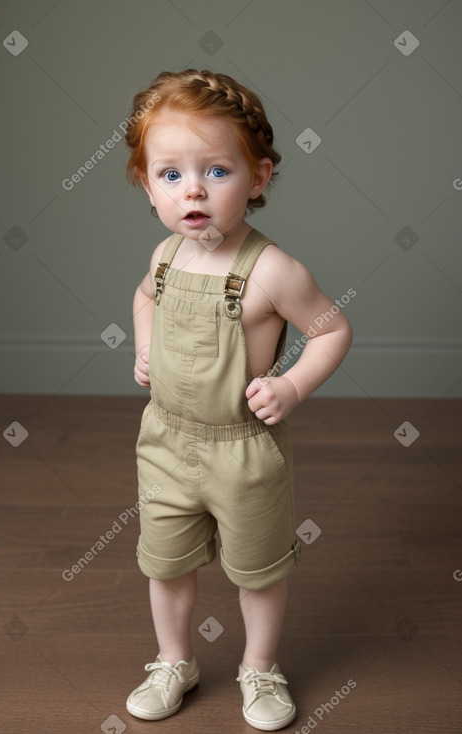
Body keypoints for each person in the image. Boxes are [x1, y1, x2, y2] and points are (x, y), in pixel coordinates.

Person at [124, 69, 353, 731]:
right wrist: (144, 346)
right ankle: (173, 660)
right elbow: (144, 298)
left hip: (242, 448)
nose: (191, 189)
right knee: (164, 563)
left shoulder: (273, 270)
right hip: (164, 441)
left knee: (257, 569)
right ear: (147, 185)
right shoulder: (165, 256)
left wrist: (290, 384)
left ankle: (258, 666)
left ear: (257, 178)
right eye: (170, 174)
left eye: (216, 171)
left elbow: (331, 328)